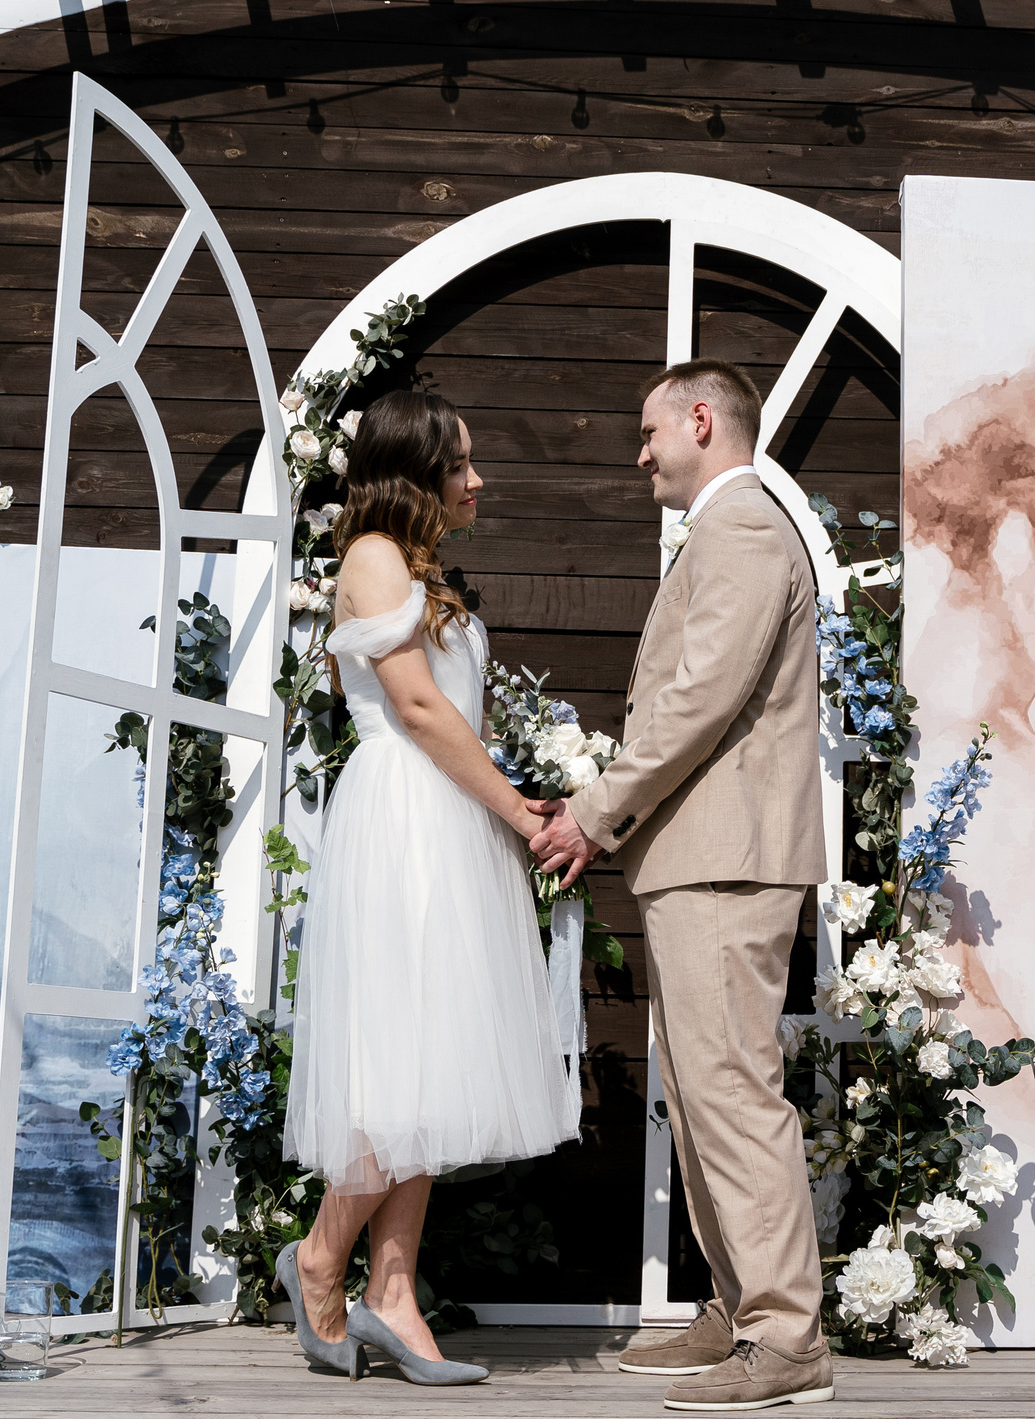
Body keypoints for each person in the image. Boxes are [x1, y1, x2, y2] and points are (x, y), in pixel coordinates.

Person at [530, 358, 831, 1412]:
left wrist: (596, 812)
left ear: (701, 420)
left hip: (726, 858)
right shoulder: (729, 529)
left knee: (732, 1093)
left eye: (649, 430)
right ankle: (738, 1304)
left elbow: (700, 695)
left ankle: (785, 1335)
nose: (639, 450)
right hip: (707, 857)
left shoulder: (742, 527)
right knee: (702, 1095)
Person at [275, 391, 581, 1386]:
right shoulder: (369, 553)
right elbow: (412, 706)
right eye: (461, 464)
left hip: (441, 817)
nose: (477, 479)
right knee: (397, 1060)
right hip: (407, 820)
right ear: (414, 474)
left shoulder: (415, 569)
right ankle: (321, 1256)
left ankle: (393, 1295)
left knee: (432, 1063)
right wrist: (516, 809)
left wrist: (490, 810)